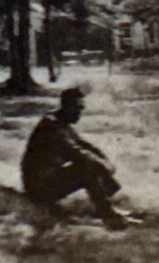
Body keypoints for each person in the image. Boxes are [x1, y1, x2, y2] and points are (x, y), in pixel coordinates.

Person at [21, 88, 139, 229]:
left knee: (89, 164)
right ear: (67, 106)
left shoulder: (59, 122)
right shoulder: (52, 125)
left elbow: (84, 145)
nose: (80, 113)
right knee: (84, 168)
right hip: (38, 188)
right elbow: (75, 151)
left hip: (46, 181)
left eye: (81, 108)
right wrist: (102, 165)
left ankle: (109, 206)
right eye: (77, 108)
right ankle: (109, 216)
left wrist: (104, 160)